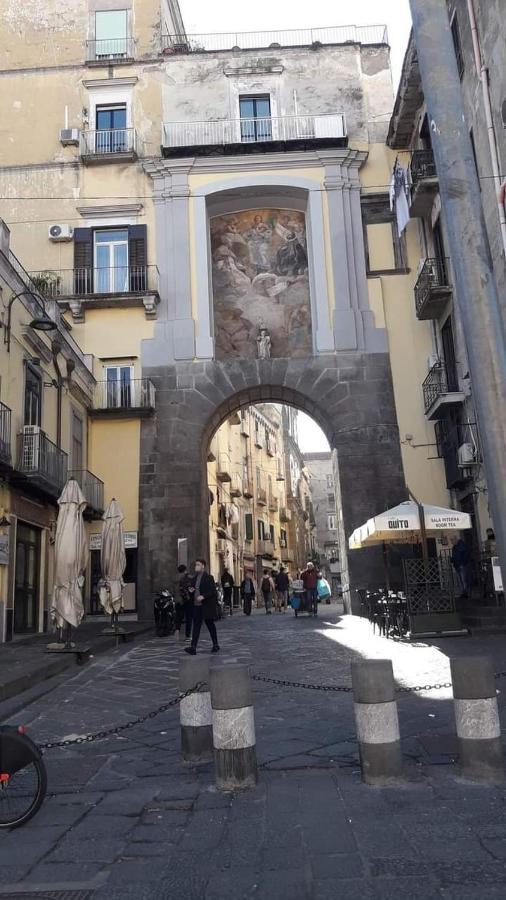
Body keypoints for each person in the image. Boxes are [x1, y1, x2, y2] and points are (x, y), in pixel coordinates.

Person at [185, 559, 220, 655]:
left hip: (206, 606)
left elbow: (213, 591)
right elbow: (191, 590)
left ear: (203, 566)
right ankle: (193, 647)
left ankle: (215, 644)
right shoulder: (194, 578)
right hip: (196, 606)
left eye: (198, 564)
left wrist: (203, 596)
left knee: (210, 625)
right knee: (196, 626)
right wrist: (191, 591)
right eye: (196, 564)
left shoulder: (209, 578)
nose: (196, 566)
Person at [175, 563, 193, 641]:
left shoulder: (174, 577)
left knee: (179, 616)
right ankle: (188, 636)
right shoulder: (187, 577)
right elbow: (191, 587)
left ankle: (177, 629)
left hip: (177, 600)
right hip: (186, 599)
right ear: (185, 570)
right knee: (188, 618)